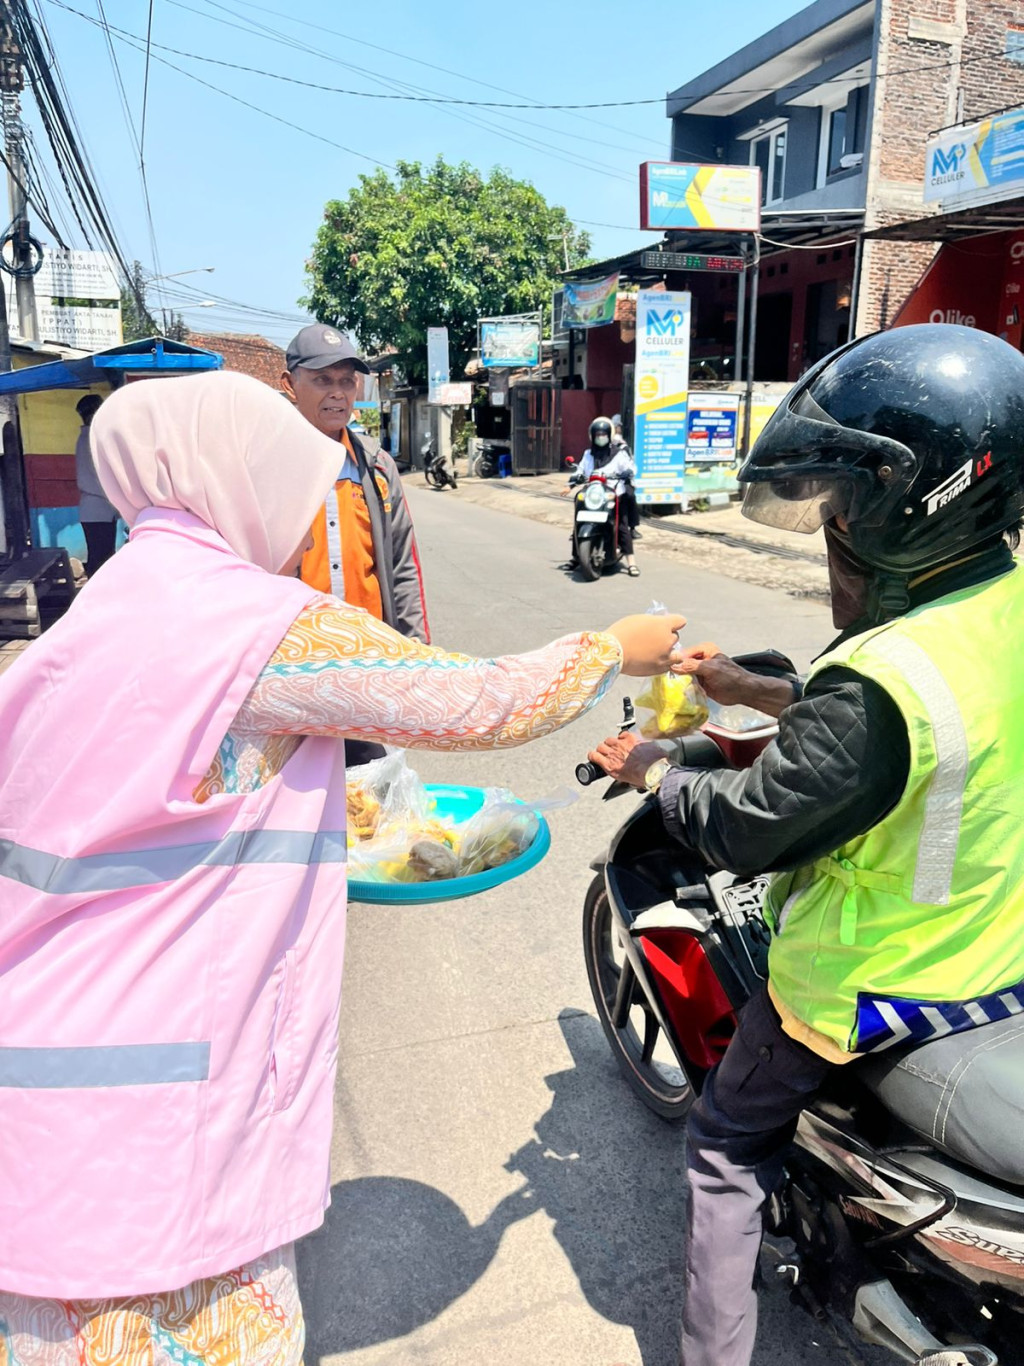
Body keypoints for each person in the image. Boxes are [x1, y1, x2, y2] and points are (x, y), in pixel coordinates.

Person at [0, 370, 686, 1365]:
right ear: (240, 480)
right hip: (149, 1106)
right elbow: (487, 702)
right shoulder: (248, 619)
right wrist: (612, 648)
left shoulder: (93, 619)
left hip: (41, 1072)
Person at [587, 324, 1024, 1366]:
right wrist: (752, 690)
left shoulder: (888, 673)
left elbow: (748, 824)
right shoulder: (988, 605)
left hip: (883, 984)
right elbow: (906, 730)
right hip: (1000, 949)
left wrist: (655, 769)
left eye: (837, 504)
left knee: (723, 1152)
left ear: (905, 505)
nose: (827, 529)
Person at [282, 323, 429, 766]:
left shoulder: (377, 467)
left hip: (366, 667)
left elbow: (403, 566)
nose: (338, 393)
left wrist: (416, 652)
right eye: (322, 379)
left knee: (369, 800)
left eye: (347, 380)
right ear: (289, 384)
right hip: (292, 668)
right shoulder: (266, 465)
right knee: (293, 802)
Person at [565, 415, 639, 576]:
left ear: (609, 435)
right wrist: (574, 479)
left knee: (621, 525)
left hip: (613, 493)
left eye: (603, 434)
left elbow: (632, 468)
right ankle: (576, 557)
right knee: (579, 515)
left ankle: (631, 562)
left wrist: (628, 472)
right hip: (594, 494)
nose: (600, 438)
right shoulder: (588, 454)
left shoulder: (618, 453)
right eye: (597, 435)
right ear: (592, 436)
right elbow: (581, 470)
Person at [73, 392, 119, 572]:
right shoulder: (90, 440)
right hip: (98, 509)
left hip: (98, 510)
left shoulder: (87, 439)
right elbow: (95, 479)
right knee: (101, 559)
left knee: (102, 557)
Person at [611, 412, 641, 539]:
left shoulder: (623, 447)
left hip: (622, 480)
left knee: (630, 496)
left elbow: (631, 465)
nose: (618, 429)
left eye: (618, 427)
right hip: (605, 479)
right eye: (616, 426)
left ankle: (632, 527)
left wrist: (628, 474)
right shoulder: (603, 446)